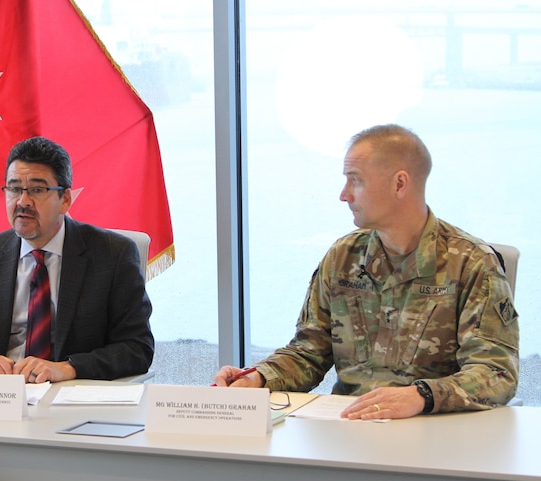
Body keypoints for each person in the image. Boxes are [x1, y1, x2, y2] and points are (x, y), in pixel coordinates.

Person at [214, 124, 519, 420]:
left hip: (433, 433)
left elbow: (496, 373)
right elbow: (309, 352)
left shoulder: (471, 263)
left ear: (400, 184)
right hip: (349, 427)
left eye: (355, 180)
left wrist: (421, 396)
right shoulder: (343, 257)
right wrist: (257, 379)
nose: (344, 195)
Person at [0, 136, 154, 382]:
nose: (22, 201)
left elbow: (137, 348)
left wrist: (67, 368)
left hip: (72, 394)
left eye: (37, 190)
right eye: (14, 188)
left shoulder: (113, 254)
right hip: (2, 397)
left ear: (65, 200)